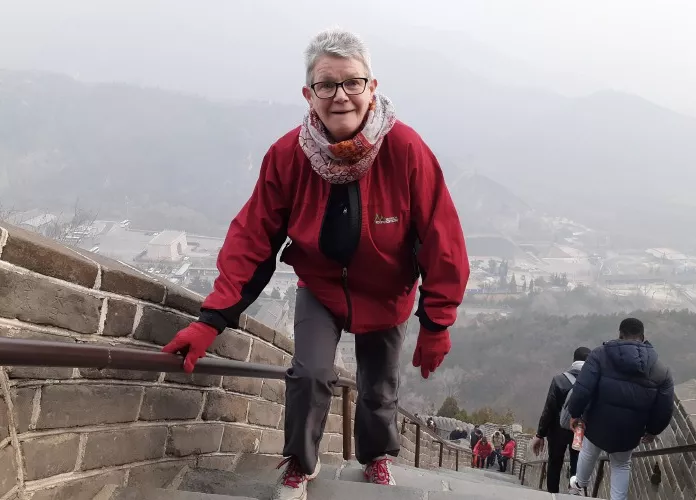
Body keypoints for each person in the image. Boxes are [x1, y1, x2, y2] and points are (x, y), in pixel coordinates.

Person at [161, 28, 470, 500]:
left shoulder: (405, 150)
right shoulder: (289, 155)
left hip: (387, 292)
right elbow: (253, 236)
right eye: (326, 85)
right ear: (309, 94)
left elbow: (441, 236)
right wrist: (213, 317)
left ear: (372, 87)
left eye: (352, 82)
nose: (340, 96)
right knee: (308, 375)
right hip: (320, 286)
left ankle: (376, 457)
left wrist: (437, 321)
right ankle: (300, 463)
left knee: (378, 387)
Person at [567, 318, 674, 499]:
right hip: (630, 430)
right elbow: (665, 408)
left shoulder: (600, 355)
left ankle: (579, 485)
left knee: (588, 452)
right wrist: (653, 430)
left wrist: (574, 413)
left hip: (597, 422)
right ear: (643, 337)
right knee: (622, 465)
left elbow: (582, 389)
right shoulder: (661, 370)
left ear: (620, 334)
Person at [531, 346, 591, 493]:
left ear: (574, 360)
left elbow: (549, 409)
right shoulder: (592, 382)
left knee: (554, 462)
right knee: (578, 462)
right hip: (580, 430)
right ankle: (574, 492)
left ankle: (553, 494)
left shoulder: (559, 380)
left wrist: (540, 434)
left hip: (558, 429)